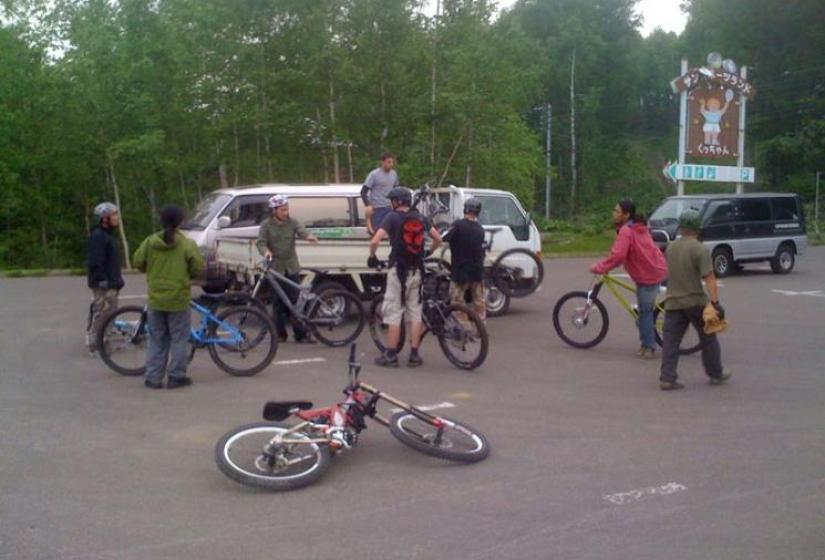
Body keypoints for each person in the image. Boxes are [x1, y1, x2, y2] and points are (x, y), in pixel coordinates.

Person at [368, 187, 442, 367]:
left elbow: (375, 240)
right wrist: (428, 252)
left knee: (394, 312)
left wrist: (372, 256)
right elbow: (438, 238)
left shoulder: (392, 217)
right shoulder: (420, 217)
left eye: (391, 200)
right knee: (415, 313)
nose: (390, 203)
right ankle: (414, 354)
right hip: (417, 271)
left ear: (397, 202)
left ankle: (391, 355)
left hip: (398, 271)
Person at [659, 210, 731, 391]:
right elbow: (709, 278)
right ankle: (715, 373)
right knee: (708, 338)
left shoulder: (671, 247)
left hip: (673, 301)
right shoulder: (700, 249)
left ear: (681, 227)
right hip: (695, 301)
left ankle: (667, 378)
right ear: (697, 228)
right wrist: (715, 303)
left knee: (671, 342)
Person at [133, 205, 204, 389]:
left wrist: (151, 270)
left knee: (157, 339)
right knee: (179, 339)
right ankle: (176, 376)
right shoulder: (187, 244)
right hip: (178, 299)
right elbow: (197, 267)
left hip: (156, 299)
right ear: (180, 222)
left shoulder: (150, 242)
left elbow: (137, 261)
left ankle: (153, 378)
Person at [590, 199, 667, 359]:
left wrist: (600, 267)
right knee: (644, 311)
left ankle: (648, 346)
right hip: (651, 269)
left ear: (626, 215)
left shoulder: (627, 230)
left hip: (648, 274)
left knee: (645, 313)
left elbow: (618, 256)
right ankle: (646, 335)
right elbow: (620, 251)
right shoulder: (635, 227)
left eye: (617, 211)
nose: (614, 213)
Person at [256, 194, 319, 343]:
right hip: (276, 269)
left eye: (287, 209)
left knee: (295, 302)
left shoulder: (292, 223)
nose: (286, 212)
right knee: (277, 303)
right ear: (274, 211)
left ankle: (301, 334)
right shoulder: (266, 225)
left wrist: (309, 236)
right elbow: (261, 242)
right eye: (283, 210)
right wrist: (266, 252)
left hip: (291, 267)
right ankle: (280, 334)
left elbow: (302, 230)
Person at [86, 202, 125, 355]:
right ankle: (95, 344)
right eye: (114, 215)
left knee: (110, 313)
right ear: (105, 219)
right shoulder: (98, 236)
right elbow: (95, 261)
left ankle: (105, 340)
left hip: (112, 282)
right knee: (102, 313)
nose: (117, 218)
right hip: (104, 283)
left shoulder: (107, 235)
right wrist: (101, 279)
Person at [443, 198, 486, 321]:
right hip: (477, 270)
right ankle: (481, 326)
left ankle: (462, 327)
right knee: (479, 300)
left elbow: (444, 237)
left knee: (458, 302)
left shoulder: (458, 225)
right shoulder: (480, 229)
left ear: (465, 209)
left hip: (460, 271)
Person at [361, 152, 400, 234]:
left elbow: (396, 190)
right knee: (376, 232)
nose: (391, 164)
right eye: (389, 162)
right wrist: (368, 205)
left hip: (389, 208)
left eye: (392, 162)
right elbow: (363, 192)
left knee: (391, 232)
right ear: (382, 162)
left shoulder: (394, 174)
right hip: (377, 208)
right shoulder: (374, 174)